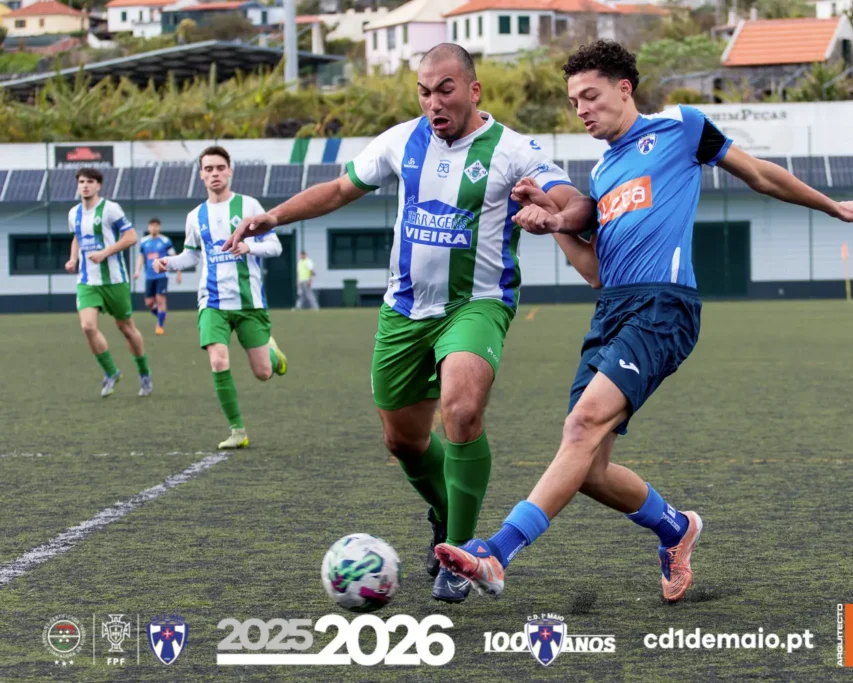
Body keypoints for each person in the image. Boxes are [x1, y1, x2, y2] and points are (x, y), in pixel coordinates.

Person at [434, 40, 853, 603]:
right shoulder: (603, 172)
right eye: (573, 102)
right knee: (589, 469)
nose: (582, 109)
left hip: (664, 306)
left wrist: (833, 207)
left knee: (580, 426)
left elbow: (759, 174)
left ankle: (496, 553)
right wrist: (552, 223)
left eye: (590, 95)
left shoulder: (681, 128)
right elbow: (595, 273)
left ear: (624, 88)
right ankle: (675, 528)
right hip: (612, 311)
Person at [222, 44, 595, 603]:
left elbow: (577, 201)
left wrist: (555, 214)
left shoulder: (513, 149)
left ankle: (465, 552)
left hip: (476, 304)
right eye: (423, 91)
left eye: (445, 89)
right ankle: (447, 520)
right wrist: (273, 216)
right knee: (402, 441)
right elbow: (339, 189)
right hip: (402, 311)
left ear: (473, 91)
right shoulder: (401, 140)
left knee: (462, 409)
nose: (433, 102)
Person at [154, 146, 288, 449]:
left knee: (264, 373)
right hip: (211, 302)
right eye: (208, 169)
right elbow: (190, 256)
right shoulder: (195, 216)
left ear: (230, 170)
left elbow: (276, 246)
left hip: (248, 302)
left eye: (219, 168)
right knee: (217, 361)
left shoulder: (249, 205)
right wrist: (168, 263)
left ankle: (271, 351)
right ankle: (237, 431)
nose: (214, 173)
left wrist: (249, 248)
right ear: (201, 175)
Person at [64, 167, 152, 398]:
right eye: (82, 181)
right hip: (87, 281)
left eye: (90, 181)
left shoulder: (110, 209)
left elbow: (131, 236)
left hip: (114, 281)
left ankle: (144, 374)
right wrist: (73, 259)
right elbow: (77, 237)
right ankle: (111, 372)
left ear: (98, 185)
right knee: (87, 326)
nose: (85, 185)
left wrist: (105, 253)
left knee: (127, 329)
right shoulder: (74, 213)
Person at [135, 217, 182, 335]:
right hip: (149, 276)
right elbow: (141, 257)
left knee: (160, 300)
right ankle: (161, 315)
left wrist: (178, 273)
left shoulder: (165, 241)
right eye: (151, 226)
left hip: (162, 276)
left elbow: (174, 256)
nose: (154, 228)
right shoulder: (144, 241)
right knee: (149, 303)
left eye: (156, 226)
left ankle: (160, 326)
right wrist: (137, 270)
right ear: (148, 227)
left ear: (159, 227)